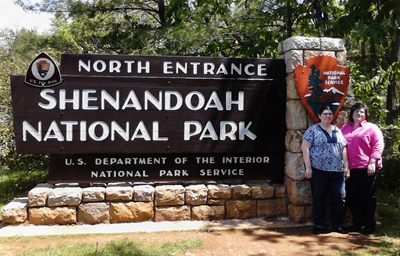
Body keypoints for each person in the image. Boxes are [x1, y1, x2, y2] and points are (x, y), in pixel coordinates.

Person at [301, 104, 350, 234]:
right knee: (319, 198)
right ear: (319, 116)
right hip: (319, 170)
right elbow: (305, 148)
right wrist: (308, 168)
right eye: (325, 114)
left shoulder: (337, 130)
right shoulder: (313, 130)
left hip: (337, 171)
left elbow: (344, 148)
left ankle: (337, 225)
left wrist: (346, 166)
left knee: (339, 197)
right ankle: (319, 225)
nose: (328, 116)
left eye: (329, 114)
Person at [341, 102, 384, 234]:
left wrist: (372, 162)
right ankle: (357, 224)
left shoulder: (372, 128)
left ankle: (369, 225)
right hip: (350, 169)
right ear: (352, 114)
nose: (359, 114)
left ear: (365, 114)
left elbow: (378, 145)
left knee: (368, 197)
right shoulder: (344, 128)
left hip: (367, 168)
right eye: (356, 111)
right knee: (353, 198)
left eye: (362, 112)